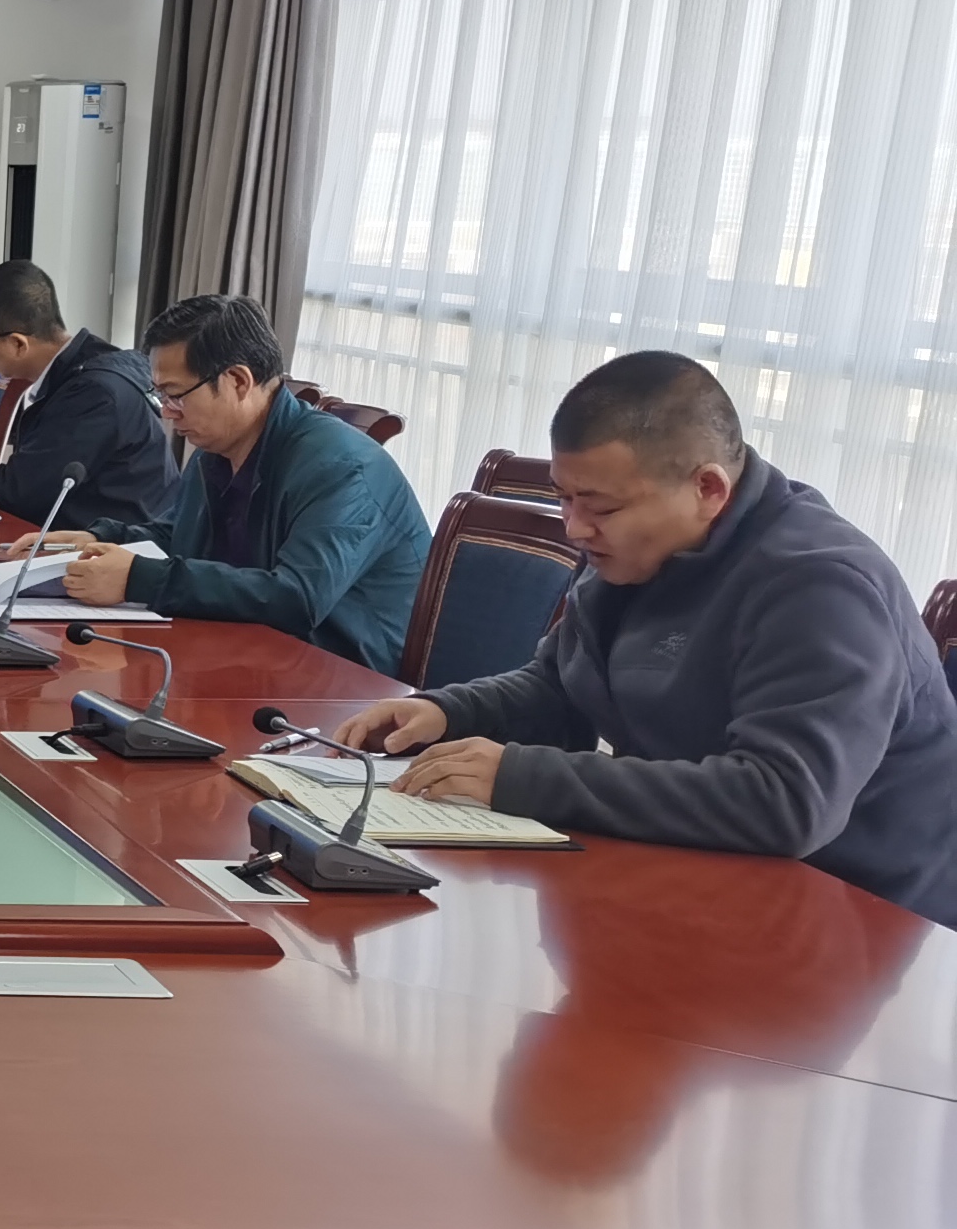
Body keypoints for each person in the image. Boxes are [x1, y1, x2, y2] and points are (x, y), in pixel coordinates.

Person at [336, 352, 957, 927]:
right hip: (700, 874)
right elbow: (563, 686)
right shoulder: (639, 550)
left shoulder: (819, 586)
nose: (575, 528)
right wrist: (447, 711)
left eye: (601, 508)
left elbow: (784, 803)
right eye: (564, 498)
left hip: (855, 919)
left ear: (708, 489)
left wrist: (522, 777)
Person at [27, 293, 428, 670]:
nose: (167, 413)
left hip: (343, 680)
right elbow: (178, 536)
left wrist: (139, 578)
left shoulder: (342, 466)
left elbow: (297, 598)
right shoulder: (218, 450)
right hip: (249, 653)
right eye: (161, 395)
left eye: (176, 395)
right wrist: (100, 540)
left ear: (238, 381)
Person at [0, 261, 175, 528]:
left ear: (17, 344)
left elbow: (20, 492)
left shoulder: (93, 393)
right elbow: (31, 479)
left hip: (110, 549)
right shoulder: (97, 364)